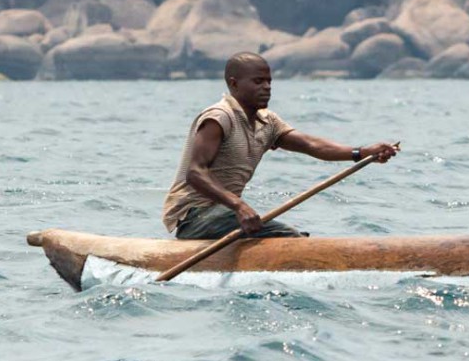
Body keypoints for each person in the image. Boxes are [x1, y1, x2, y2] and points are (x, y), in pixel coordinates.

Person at [161, 52, 397, 239]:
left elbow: (311, 144)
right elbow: (195, 173)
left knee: (278, 233)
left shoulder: (268, 122)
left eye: (269, 81)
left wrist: (362, 152)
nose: (267, 87)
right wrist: (240, 206)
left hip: (226, 215)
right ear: (234, 84)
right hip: (194, 217)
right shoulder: (218, 118)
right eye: (258, 81)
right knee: (287, 236)